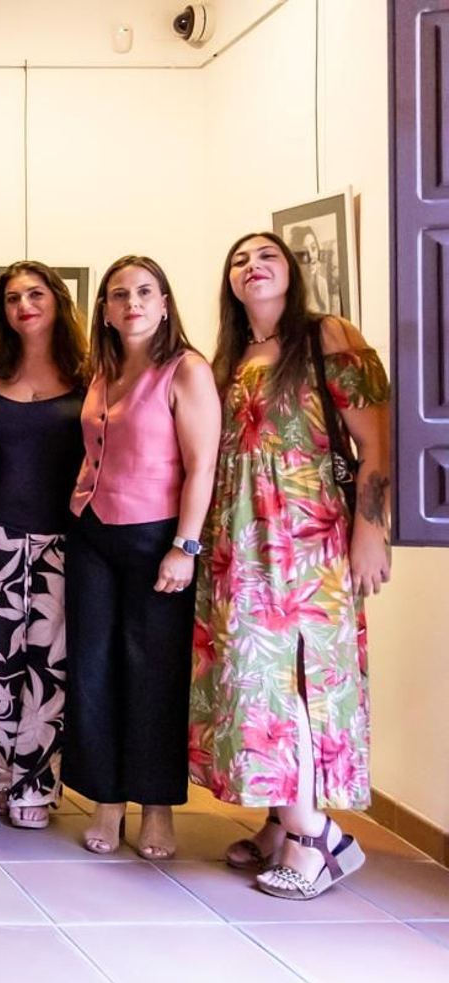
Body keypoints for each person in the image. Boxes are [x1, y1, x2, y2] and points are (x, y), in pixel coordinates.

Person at [191, 232, 390, 899]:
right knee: (253, 679)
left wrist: (371, 529)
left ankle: (320, 841)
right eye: (239, 257)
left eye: (265, 256)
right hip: (238, 538)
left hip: (306, 538)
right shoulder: (233, 355)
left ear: (291, 272)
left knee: (293, 681)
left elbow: (377, 439)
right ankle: (281, 816)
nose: (251, 265)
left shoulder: (326, 335)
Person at [61, 255, 220, 859]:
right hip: (92, 532)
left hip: (158, 538)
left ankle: (156, 807)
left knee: (154, 672)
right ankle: (106, 798)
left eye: (144, 292)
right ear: (103, 309)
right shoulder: (101, 372)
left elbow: (202, 465)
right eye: (119, 294)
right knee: (94, 667)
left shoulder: (186, 370)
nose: (132, 303)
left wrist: (186, 546)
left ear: (164, 304)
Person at [0, 262, 90, 830]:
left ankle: (35, 785)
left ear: (57, 302)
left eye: (35, 294)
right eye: (13, 297)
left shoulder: (92, 378)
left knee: (49, 671)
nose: (24, 305)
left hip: (62, 544)